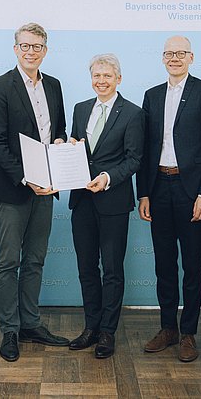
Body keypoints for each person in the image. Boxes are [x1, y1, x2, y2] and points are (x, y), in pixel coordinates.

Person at [0, 22, 69, 362]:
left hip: (46, 188)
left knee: (35, 259)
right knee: (9, 261)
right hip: (13, 188)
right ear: (15, 49)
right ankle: (9, 329)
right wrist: (24, 177)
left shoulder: (55, 85)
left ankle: (30, 323)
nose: (30, 52)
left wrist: (60, 142)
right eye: (25, 46)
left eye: (37, 46)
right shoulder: (0, 86)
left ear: (45, 51)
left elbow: (59, 128)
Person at [137, 35, 201, 362]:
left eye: (180, 53)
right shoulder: (152, 95)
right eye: (169, 53)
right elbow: (145, 149)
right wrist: (143, 192)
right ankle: (167, 328)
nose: (174, 58)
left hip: (192, 192)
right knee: (164, 264)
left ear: (191, 57)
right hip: (158, 187)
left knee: (192, 265)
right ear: (162, 58)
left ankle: (188, 333)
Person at [67, 54, 144, 359]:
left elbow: (134, 159)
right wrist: (67, 148)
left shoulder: (133, 113)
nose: (101, 81)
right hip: (82, 200)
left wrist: (107, 177)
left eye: (107, 76)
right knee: (86, 268)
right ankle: (91, 327)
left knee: (111, 270)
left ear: (118, 79)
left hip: (113, 201)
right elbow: (76, 147)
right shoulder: (80, 108)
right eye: (96, 76)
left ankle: (107, 333)